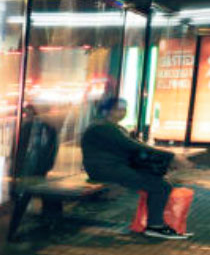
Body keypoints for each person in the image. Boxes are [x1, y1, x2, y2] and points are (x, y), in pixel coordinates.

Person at [80, 98, 191, 240]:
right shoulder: (102, 127)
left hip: (114, 167)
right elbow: (132, 146)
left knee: (159, 183)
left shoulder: (113, 127)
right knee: (160, 186)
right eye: (117, 109)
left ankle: (155, 224)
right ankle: (155, 226)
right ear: (105, 110)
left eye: (124, 109)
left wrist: (167, 158)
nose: (122, 112)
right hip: (106, 169)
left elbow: (135, 146)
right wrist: (171, 157)